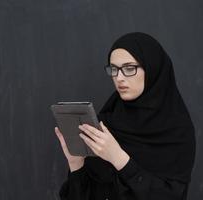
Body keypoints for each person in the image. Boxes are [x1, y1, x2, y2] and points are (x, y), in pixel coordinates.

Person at [54, 32, 196, 200]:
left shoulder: (177, 131)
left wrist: (119, 159)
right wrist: (76, 165)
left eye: (129, 68)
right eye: (114, 69)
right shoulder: (106, 121)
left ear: (152, 69)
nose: (119, 78)